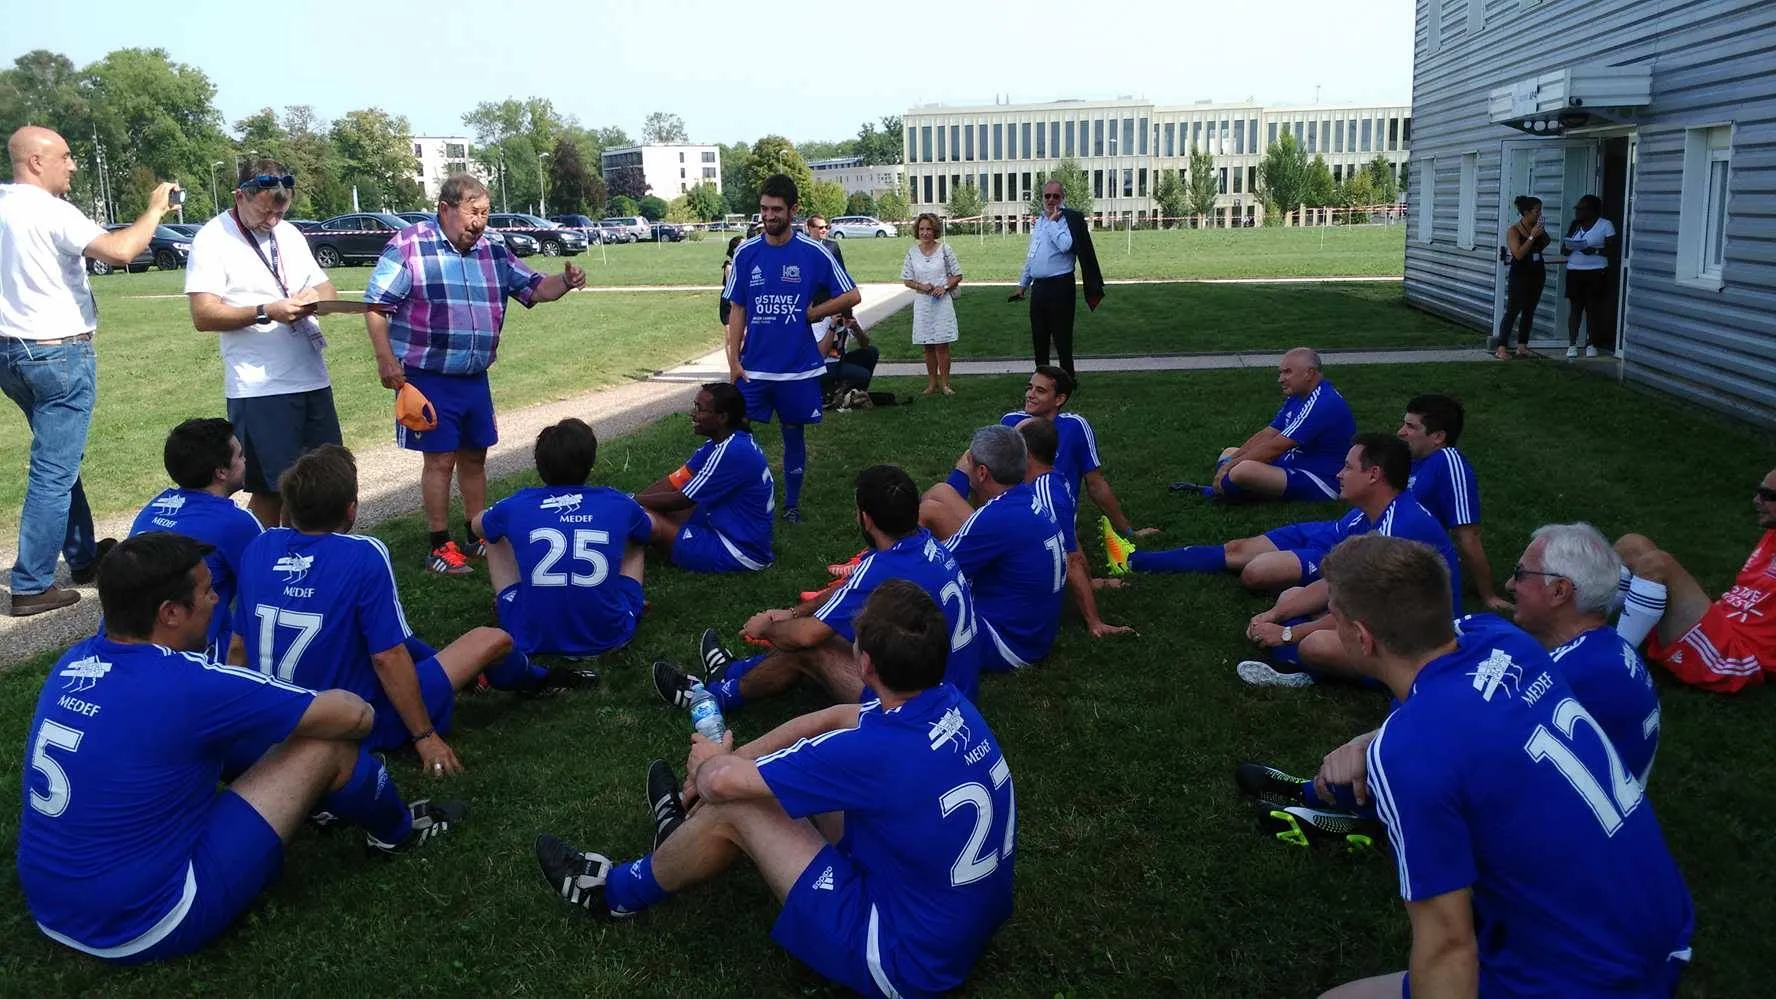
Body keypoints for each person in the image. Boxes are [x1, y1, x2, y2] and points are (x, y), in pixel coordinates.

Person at [536, 581, 1015, 998]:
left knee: (738, 806)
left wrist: (711, 767)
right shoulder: (950, 704)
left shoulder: (873, 752)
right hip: (958, 922)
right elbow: (830, 719)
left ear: (865, 663)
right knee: (767, 784)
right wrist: (737, 759)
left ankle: (613, 893)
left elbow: (722, 783)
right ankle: (679, 837)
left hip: (905, 961)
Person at [17, 533, 465, 964]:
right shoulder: (192, 684)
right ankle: (397, 832)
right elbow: (355, 717)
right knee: (328, 747)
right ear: (170, 613)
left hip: (51, 904)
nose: (217, 600)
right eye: (207, 591)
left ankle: (321, 805)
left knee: (231, 741)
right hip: (146, 921)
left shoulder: (72, 662)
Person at [1308, 535, 1692, 999]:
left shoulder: (1410, 754)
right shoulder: (1503, 637)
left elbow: (1448, 948)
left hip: (1589, 978)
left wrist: (1382, 745)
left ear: (1362, 636)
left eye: (1335, 615)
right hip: (1664, 926)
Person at [1237, 526, 1664, 848]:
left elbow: (1461, 737)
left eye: (1520, 574)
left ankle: (1351, 807)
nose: (1510, 585)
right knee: (1433, 697)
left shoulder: (1572, 669)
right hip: (1584, 799)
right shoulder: (1593, 650)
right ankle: (1332, 789)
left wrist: (1369, 747)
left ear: (1559, 591)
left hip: (1572, 829)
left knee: (1430, 746)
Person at [236, 445, 595, 780]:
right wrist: (425, 736)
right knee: (493, 639)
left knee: (413, 650)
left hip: (281, 718)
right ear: (351, 509)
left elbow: (237, 647)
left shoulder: (259, 547)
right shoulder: (363, 554)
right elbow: (388, 656)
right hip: (356, 718)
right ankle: (537, 679)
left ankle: (478, 676)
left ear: (289, 507)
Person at [363, 173, 587, 575]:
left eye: (485, 213)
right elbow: (377, 306)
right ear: (446, 209)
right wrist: (385, 359)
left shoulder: (493, 250)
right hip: (427, 376)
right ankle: (439, 545)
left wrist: (566, 283)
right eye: (473, 213)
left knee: (475, 456)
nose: (479, 222)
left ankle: (475, 532)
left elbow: (535, 288)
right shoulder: (410, 245)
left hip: (474, 377)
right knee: (439, 460)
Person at [1, 125, 178, 616]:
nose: (74, 165)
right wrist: (155, 211)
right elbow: (122, 252)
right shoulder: (53, 211)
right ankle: (32, 584)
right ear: (36, 161)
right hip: (57, 354)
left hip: (9, 353)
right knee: (54, 469)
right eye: (66, 155)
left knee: (61, 456)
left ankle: (80, 556)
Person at [653, 464, 983, 712]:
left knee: (811, 646)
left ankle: (711, 698)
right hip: (955, 689)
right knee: (835, 626)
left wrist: (768, 627)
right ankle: (732, 672)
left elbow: (806, 636)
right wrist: (794, 612)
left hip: (925, 708)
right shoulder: (925, 545)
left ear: (865, 518)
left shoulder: (884, 567)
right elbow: (850, 591)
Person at [1234, 434, 1460, 688]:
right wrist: (1272, 615)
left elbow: (1361, 608)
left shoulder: (1398, 529)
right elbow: (1334, 584)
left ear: (1374, 474)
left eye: (1349, 467)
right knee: (1291, 597)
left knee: (1315, 645)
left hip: (1417, 645)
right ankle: (1297, 656)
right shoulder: (1373, 514)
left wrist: (1287, 633)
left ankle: (1303, 670)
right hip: (1387, 617)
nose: (1340, 474)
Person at [185, 158, 340, 529]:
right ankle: (262, 564)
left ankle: (317, 563)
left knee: (325, 483)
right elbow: (203, 315)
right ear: (240, 196)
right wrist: (266, 311)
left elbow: (327, 288)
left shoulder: (289, 233)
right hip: (260, 386)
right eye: (265, 211)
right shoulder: (212, 238)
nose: (272, 220)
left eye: (280, 211)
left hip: (311, 377)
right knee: (272, 488)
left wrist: (310, 300)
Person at [722, 174, 861, 524]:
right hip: (754, 367)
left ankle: (792, 504)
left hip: (797, 368)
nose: (768, 216)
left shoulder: (813, 252)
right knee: (735, 435)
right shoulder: (745, 253)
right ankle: (741, 498)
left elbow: (852, 295)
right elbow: (737, 308)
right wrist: (733, 360)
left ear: (793, 210)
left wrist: (814, 312)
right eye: (764, 209)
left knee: (793, 432)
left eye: (776, 210)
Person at [472, 418, 648, 658]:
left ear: (539, 465)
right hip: (609, 635)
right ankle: (622, 602)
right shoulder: (618, 502)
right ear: (591, 462)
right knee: (637, 539)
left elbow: (477, 526)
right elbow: (647, 531)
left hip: (529, 635)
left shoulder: (516, 504)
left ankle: (512, 599)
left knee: (492, 533)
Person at [917, 424, 1066, 671]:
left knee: (900, 607)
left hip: (1007, 644)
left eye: (971, 463)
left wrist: (879, 564)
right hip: (1032, 632)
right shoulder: (1023, 498)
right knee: (939, 498)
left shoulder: (995, 518)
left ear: (983, 472)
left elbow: (930, 570)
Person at [1613, 467, 1776, 693]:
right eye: (1759, 491)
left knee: (1658, 565)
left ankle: (1613, 663)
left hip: (1736, 655)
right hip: (1721, 622)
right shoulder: (1772, 534)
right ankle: (1588, 632)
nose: (1757, 500)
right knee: (1631, 545)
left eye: (1769, 496)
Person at [125, 418, 264, 663]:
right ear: (221, 472)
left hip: (128, 646)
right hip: (189, 657)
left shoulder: (153, 507)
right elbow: (269, 591)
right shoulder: (237, 522)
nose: (245, 461)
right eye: (240, 456)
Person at [1177, 347, 1355, 502]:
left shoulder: (1322, 403)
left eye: (1287, 372)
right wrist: (1231, 461)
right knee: (1230, 453)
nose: (1281, 379)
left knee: (1242, 470)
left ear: (1308, 373)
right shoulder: (1298, 395)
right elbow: (1269, 433)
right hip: (1296, 461)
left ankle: (1223, 493)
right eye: (1281, 372)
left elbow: (1276, 447)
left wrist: (1230, 467)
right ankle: (1231, 488)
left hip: (1320, 479)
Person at [999, 365, 1152, 543]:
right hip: (1013, 513)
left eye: (1040, 391)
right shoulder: (1010, 421)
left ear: (1059, 399)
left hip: (1055, 518)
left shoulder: (1074, 427)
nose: (1030, 394)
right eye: (1029, 387)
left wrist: (1129, 531)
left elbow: (1096, 484)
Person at [634, 382, 774, 574]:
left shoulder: (731, 451)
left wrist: (629, 501)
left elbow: (680, 500)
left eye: (700, 409)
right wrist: (631, 505)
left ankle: (618, 552)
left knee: (647, 519)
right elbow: (675, 481)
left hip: (739, 551)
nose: (693, 413)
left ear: (722, 417)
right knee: (641, 511)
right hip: (727, 527)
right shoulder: (726, 442)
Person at [1016, 416, 1133, 638]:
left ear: (1027, 454)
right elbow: (1070, 538)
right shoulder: (1053, 479)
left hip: (1028, 589)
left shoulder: (1044, 494)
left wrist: (1094, 621)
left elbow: (1071, 559)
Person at [1008, 179, 1103, 378]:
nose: (1051, 200)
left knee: (1062, 337)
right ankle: (1041, 380)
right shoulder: (1040, 221)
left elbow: (1066, 245)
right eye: (1047, 196)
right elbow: (1032, 255)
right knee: (1039, 336)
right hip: (1039, 288)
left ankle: (1068, 380)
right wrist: (1022, 284)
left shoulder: (1067, 220)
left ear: (1062, 198)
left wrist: (1052, 223)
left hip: (1060, 286)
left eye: (1056, 196)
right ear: (1042, 198)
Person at [901, 212, 963, 396]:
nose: (925, 232)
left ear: (934, 230)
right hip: (923, 304)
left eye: (928, 229)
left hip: (941, 303)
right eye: (921, 229)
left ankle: (945, 383)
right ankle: (931, 383)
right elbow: (906, 279)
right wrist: (921, 286)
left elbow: (958, 275)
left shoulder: (945, 249)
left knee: (941, 345)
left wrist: (944, 287)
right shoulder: (912, 252)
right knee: (927, 345)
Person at [1491, 195, 1549, 360]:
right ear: (1526, 212)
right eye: (1537, 211)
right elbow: (1518, 254)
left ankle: (1522, 346)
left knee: (1529, 311)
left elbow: (1545, 243)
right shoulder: (1514, 230)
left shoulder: (1536, 228)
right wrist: (1531, 237)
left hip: (1537, 272)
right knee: (1513, 310)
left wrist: (1540, 233)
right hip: (1520, 274)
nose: (1539, 214)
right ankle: (1501, 347)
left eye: (1540, 211)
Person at [1562, 193, 1616, 359]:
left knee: (1593, 308)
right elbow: (1563, 250)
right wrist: (1570, 247)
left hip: (1595, 271)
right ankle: (1572, 344)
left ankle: (1591, 343)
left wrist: (1595, 250)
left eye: (1581, 209)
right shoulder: (1575, 225)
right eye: (1577, 209)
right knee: (1576, 308)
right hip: (1574, 270)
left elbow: (1612, 250)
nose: (1578, 212)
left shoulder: (1605, 225)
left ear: (1592, 210)